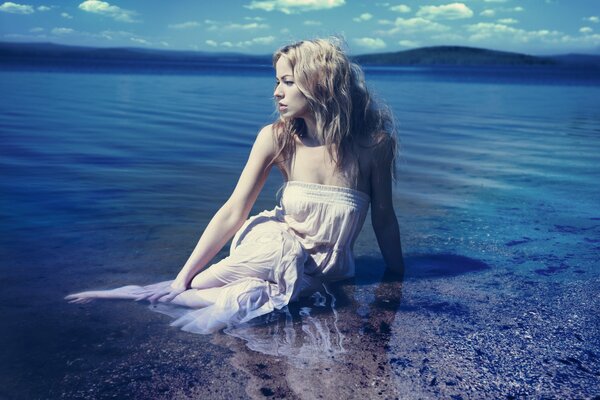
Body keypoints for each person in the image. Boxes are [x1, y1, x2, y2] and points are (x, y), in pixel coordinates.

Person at [65, 38, 405, 334]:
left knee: (255, 296)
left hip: (325, 269)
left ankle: (139, 292)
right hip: (275, 244)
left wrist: (397, 275)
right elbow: (234, 210)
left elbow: (384, 217)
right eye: (277, 81)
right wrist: (185, 274)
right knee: (200, 282)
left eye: (287, 81)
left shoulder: (374, 145)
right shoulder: (277, 138)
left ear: (320, 84)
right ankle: (163, 287)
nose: (277, 92)